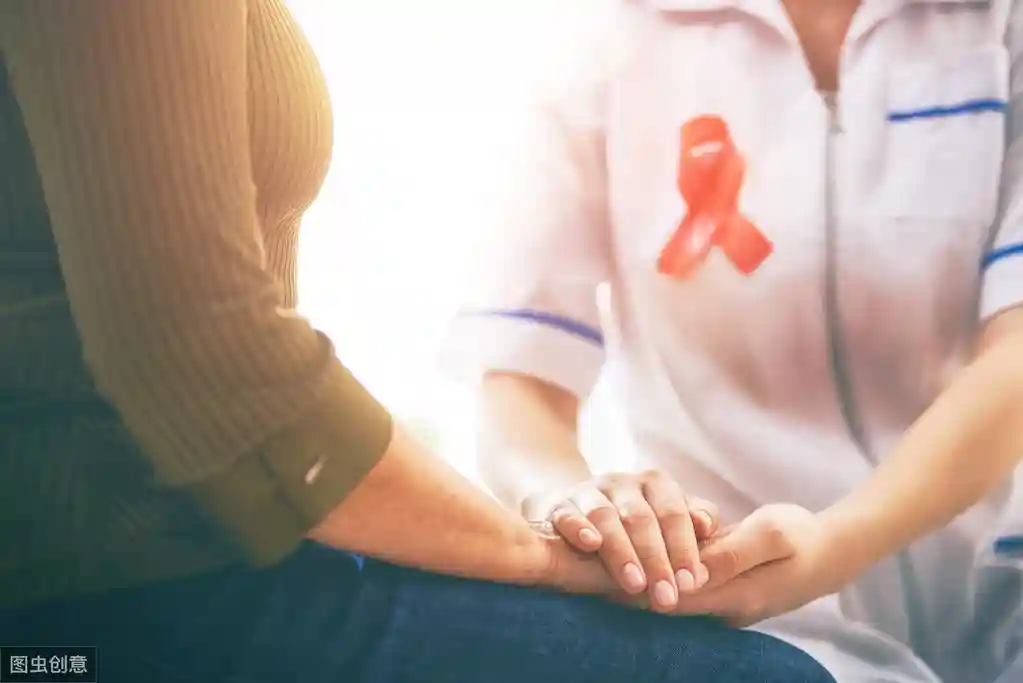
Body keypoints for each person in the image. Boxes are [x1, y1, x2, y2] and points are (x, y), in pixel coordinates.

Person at [0, 1, 839, 682]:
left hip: (187, 563)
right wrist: (551, 558)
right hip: (101, 602)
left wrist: (562, 529)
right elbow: (210, 364)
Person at [444, 0, 1023, 681]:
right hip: (747, 613)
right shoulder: (605, 43)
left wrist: (834, 545)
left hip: (1002, 594)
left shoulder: (1002, 22)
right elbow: (518, 374)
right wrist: (575, 509)